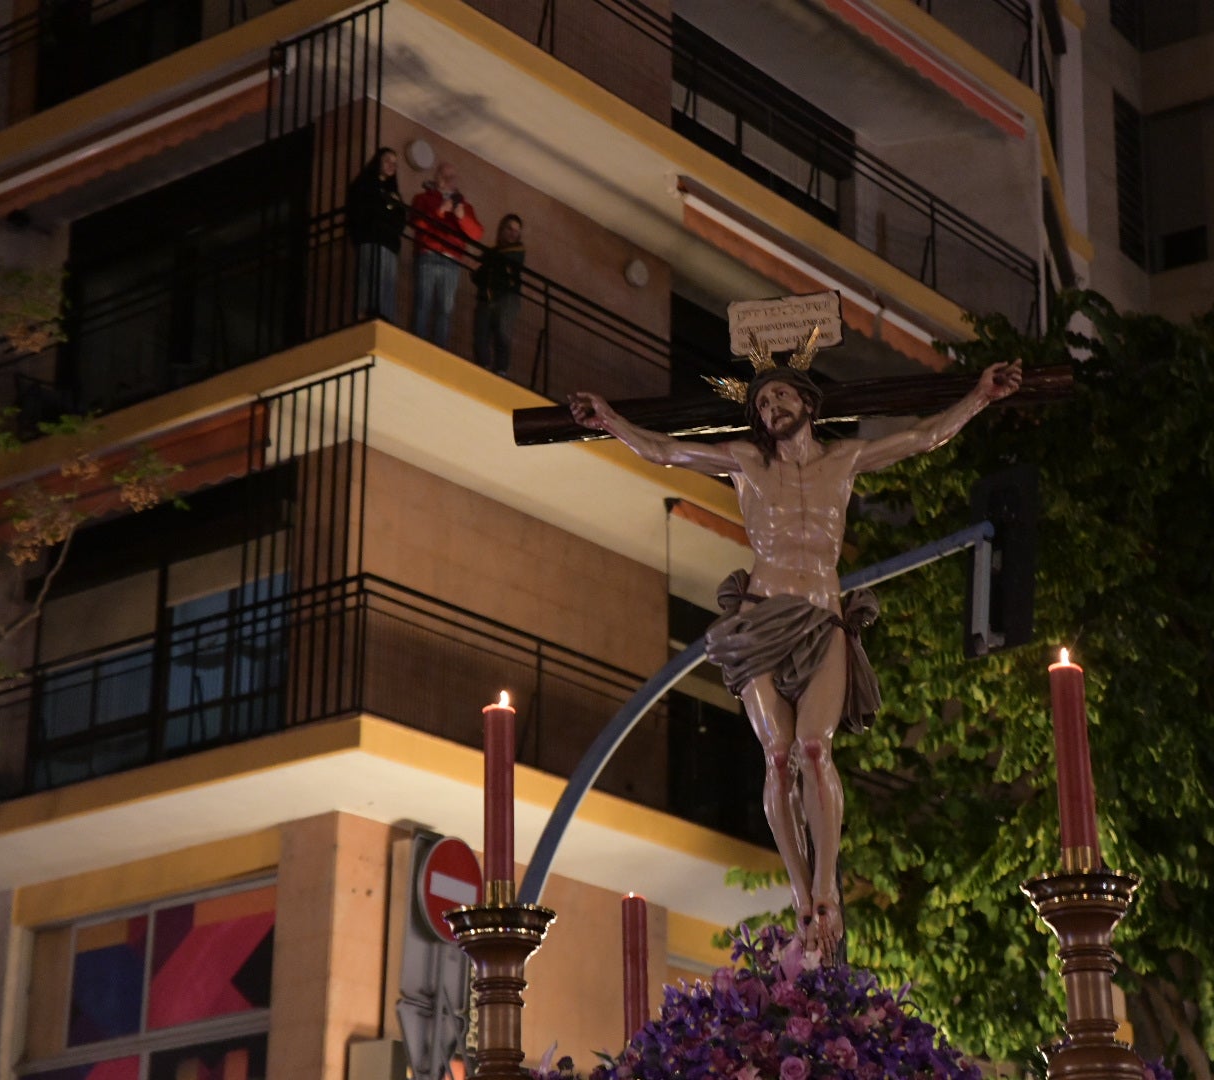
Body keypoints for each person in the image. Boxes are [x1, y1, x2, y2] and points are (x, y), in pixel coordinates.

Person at [569, 344, 1022, 959]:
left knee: (815, 747)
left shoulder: (845, 460)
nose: (770, 404)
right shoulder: (745, 462)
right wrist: (612, 422)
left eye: (780, 394)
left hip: (821, 616)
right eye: (761, 401)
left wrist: (978, 397)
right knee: (778, 756)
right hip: (759, 621)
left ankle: (827, 885)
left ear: (807, 402)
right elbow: (667, 451)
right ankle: (801, 892)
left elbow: (921, 437)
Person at [410, 160, 483, 349]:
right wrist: (440, 210)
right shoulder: (423, 199)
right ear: (437, 178)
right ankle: (418, 343)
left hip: (451, 261)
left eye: (452, 177)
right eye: (445, 176)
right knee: (423, 302)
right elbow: (418, 224)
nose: (450, 180)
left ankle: (439, 347)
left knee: (445, 309)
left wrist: (461, 217)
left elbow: (476, 233)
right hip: (428, 254)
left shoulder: (464, 205)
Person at [346, 148, 408, 323]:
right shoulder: (364, 184)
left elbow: (401, 219)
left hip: (389, 243)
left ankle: (385, 319)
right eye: (388, 160)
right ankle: (365, 316)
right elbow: (360, 211)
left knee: (387, 284)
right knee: (370, 279)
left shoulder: (393, 193)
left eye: (395, 163)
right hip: (370, 239)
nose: (391, 165)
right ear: (378, 161)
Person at [472, 214, 526, 375]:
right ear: (502, 230)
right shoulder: (492, 252)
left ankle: (501, 371)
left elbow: (499, 263)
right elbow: (476, 275)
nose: (513, 233)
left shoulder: (518, 250)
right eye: (510, 228)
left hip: (507, 298)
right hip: (486, 298)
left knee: (503, 335)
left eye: (517, 230)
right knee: (481, 334)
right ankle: (483, 367)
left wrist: (484, 265)